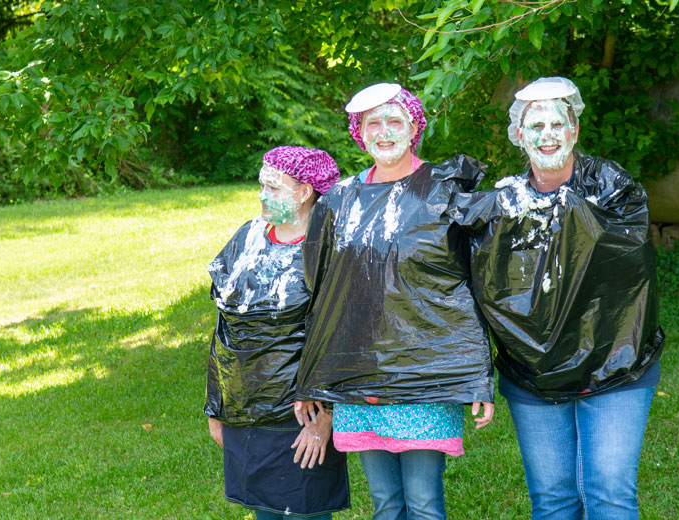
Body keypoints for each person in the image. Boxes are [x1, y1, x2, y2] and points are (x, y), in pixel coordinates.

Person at [448, 77, 665, 520]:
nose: (547, 135)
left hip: (615, 364)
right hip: (532, 373)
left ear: (574, 131)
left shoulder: (611, 187)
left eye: (557, 124)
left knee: (609, 493)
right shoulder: (503, 204)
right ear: (518, 135)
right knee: (553, 501)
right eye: (536, 126)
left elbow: (624, 265)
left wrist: (562, 213)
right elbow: (475, 284)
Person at [294, 83, 495, 520]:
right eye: (373, 123)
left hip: (425, 376)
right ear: (359, 132)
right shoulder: (340, 201)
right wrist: (312, 380)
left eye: (394, 120)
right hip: (362, 377)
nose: (384, 132)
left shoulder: (443, 190)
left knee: (423, 503)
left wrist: (475, 377)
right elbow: (324, 296)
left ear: (414, 127)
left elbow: (474, 287)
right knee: (385, 504)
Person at [205, 146, 348, 520]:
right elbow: (224, 327)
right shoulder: (248, 238)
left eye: (274, 187)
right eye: (261, 186)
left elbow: (345, 337)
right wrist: (217, 406)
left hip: (301, 414)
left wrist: (327, 417)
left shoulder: (328, 248)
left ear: (305, 192)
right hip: (245, 409)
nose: (262, 196)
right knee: (264, 512)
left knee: (304, 512)